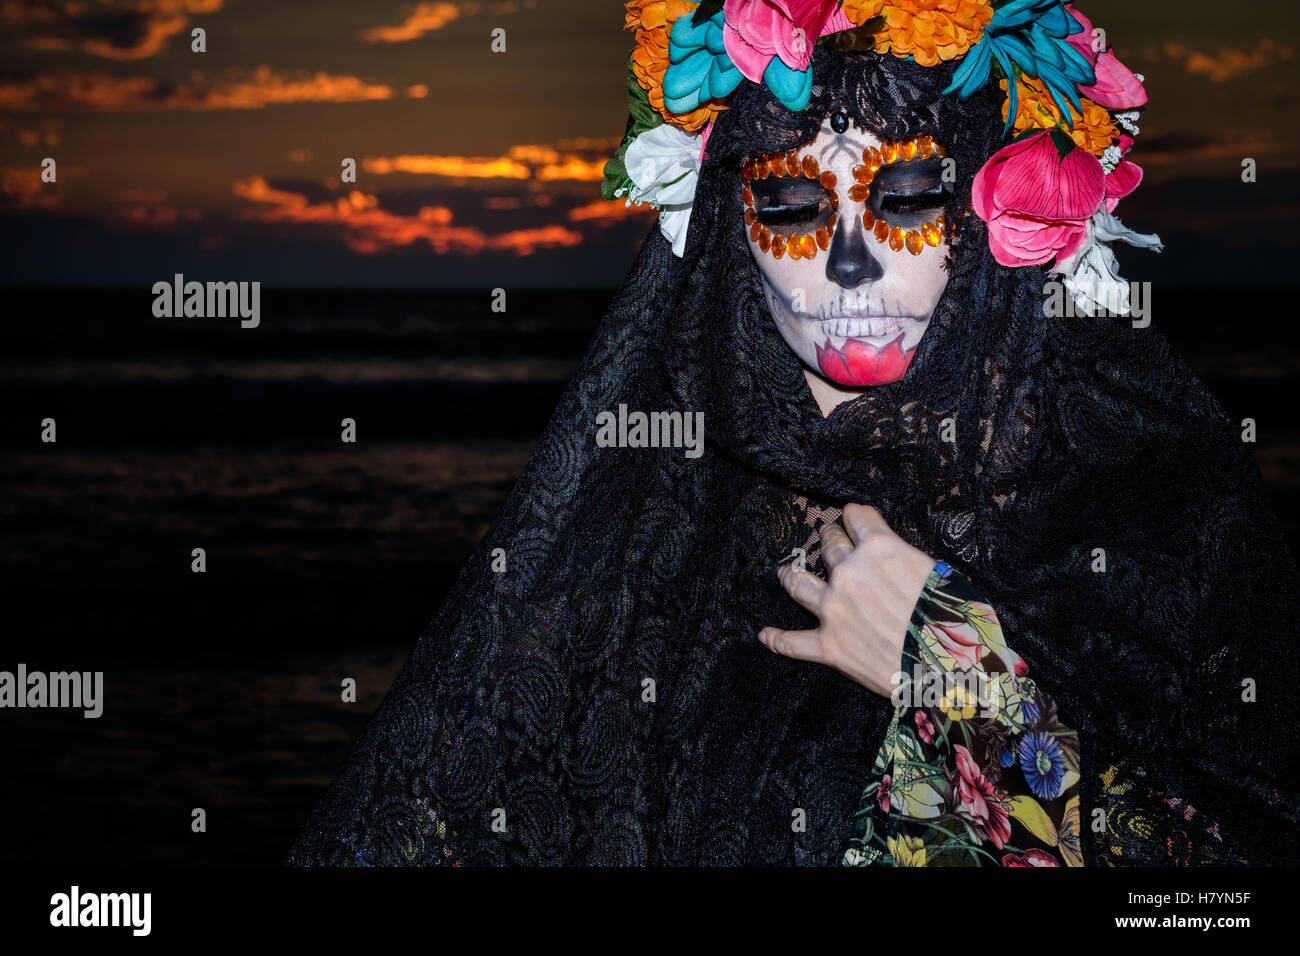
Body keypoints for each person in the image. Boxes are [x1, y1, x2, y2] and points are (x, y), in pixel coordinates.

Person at [288, 0, 1299, 866]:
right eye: (789, 202)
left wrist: (948, 672)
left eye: (908, 194)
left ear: (1000, 213)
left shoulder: (1159, 511)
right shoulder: (657, 543)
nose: (849, 263)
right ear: (734, 230)